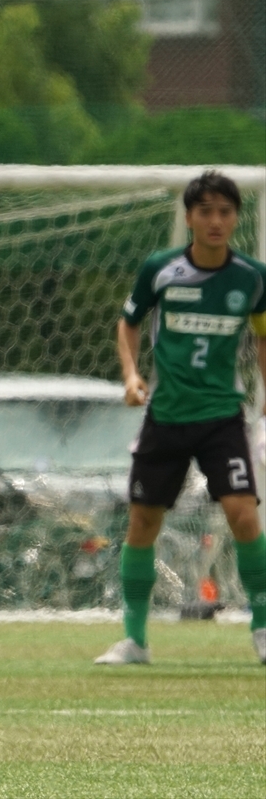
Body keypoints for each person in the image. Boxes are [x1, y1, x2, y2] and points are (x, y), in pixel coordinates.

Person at [96, 170, 266, 666]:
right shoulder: (160, 269)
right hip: (166, 416)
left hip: (222, 417)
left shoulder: (252, 277)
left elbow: (263, 334)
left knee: (244, 515)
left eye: (225, 212)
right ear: (189, 217)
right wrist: (131, 375)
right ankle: (135, 640)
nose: (216, 221)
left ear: (236, 218)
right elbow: (128, 324)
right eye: (205, 211)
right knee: (143, 522)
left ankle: (262, 628)